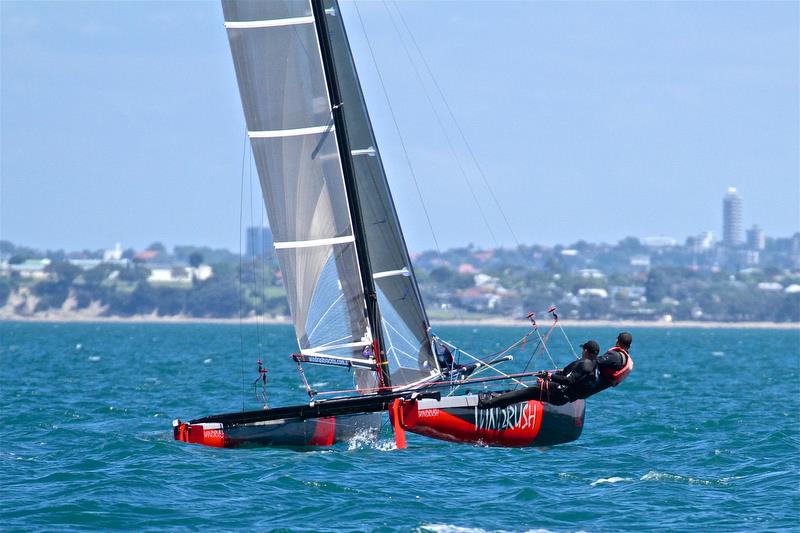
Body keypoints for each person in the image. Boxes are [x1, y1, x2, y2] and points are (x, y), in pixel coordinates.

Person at [478, 340, 600, 409]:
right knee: (526, 394)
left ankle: (486, 404)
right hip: (562, 395)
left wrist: (550, 377)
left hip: (558, 394)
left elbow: (570, 380)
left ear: (585, 351)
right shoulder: (595, 365)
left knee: (526, 392)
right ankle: (503, 402)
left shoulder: (585, 364)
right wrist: (552, 378)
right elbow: (570, 378)